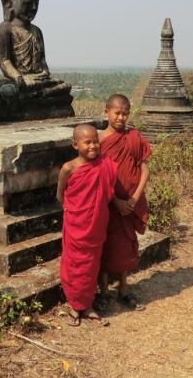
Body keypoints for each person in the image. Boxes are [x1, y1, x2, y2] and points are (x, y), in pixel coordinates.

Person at [57, 124, 117, 326]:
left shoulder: (104, 164)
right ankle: (75, 305)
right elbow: (60, 194)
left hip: (96, 223)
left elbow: (108, 192)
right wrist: (73, 210)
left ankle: (88, 304)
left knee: (91, 265)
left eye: (96, 141)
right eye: (88, 142)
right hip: (76, 223)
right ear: (75, 144)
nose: (93, 146)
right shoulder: (68, 168)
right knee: (74, 264)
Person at [97, 94, 152, 311]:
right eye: (117, 113)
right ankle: (103, 293)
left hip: (130, 202)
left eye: (125, 113)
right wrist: (116, 200)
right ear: (106, 112)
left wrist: (135, 198)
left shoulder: (134, 137)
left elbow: (144, 167)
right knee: (104, 247)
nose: (121, 117)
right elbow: (98, 175)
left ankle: (123, 290)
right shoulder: (99, 141)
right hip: (109, 204)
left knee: (126, 247)